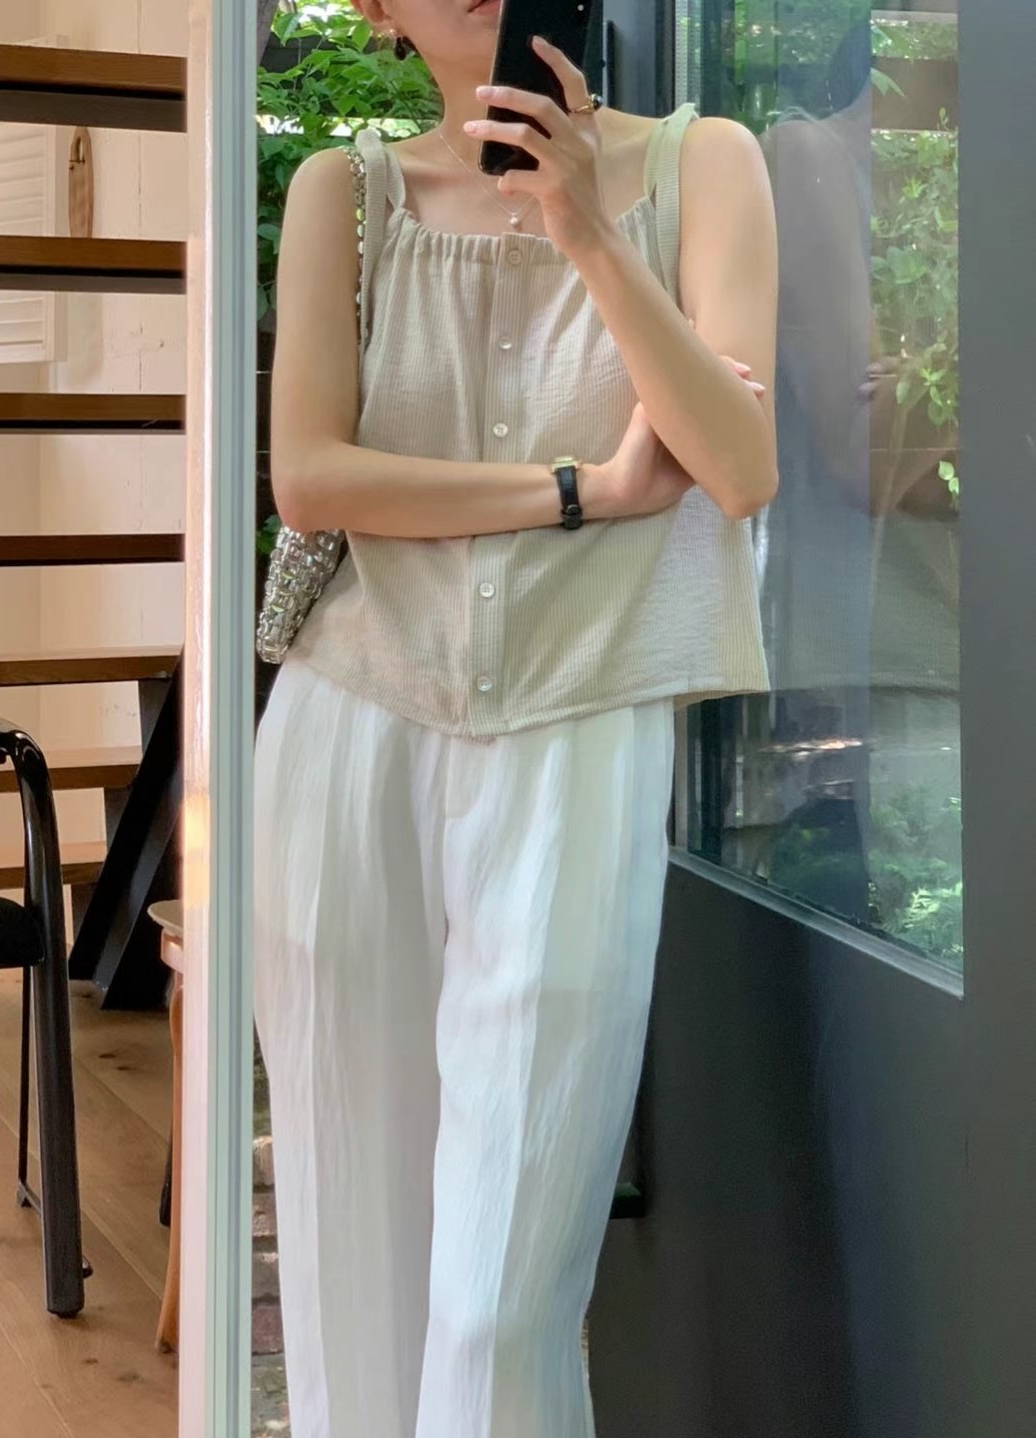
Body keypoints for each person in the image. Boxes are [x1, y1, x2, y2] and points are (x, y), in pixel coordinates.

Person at [253, 1, 778, 1434]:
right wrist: (585, 492)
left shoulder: (704, 164)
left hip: (579, 729)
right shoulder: (343, 193)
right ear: (376, 6)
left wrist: (586, 227)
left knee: (503, 1294)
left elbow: (738, 467)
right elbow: (311, 477)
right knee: (351, 1241)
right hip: (351, 727)